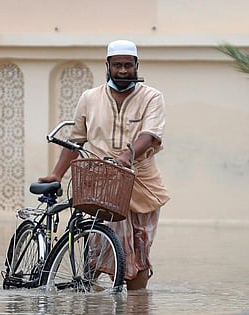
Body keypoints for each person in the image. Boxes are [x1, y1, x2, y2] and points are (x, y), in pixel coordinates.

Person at [39, 39, 170, 290]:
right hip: (103, 183)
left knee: (140, 254)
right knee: (100, 249)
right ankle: (89, 293)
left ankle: (136, 305)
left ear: (136, 66)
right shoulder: (89, 97)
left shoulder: (152, 97)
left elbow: (150, 135)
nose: (123, 71)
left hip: (143, 183)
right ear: (107, 66)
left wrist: (127, 156)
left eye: (128, 65)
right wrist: (56, 174)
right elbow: (76, 141)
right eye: (117, 65)